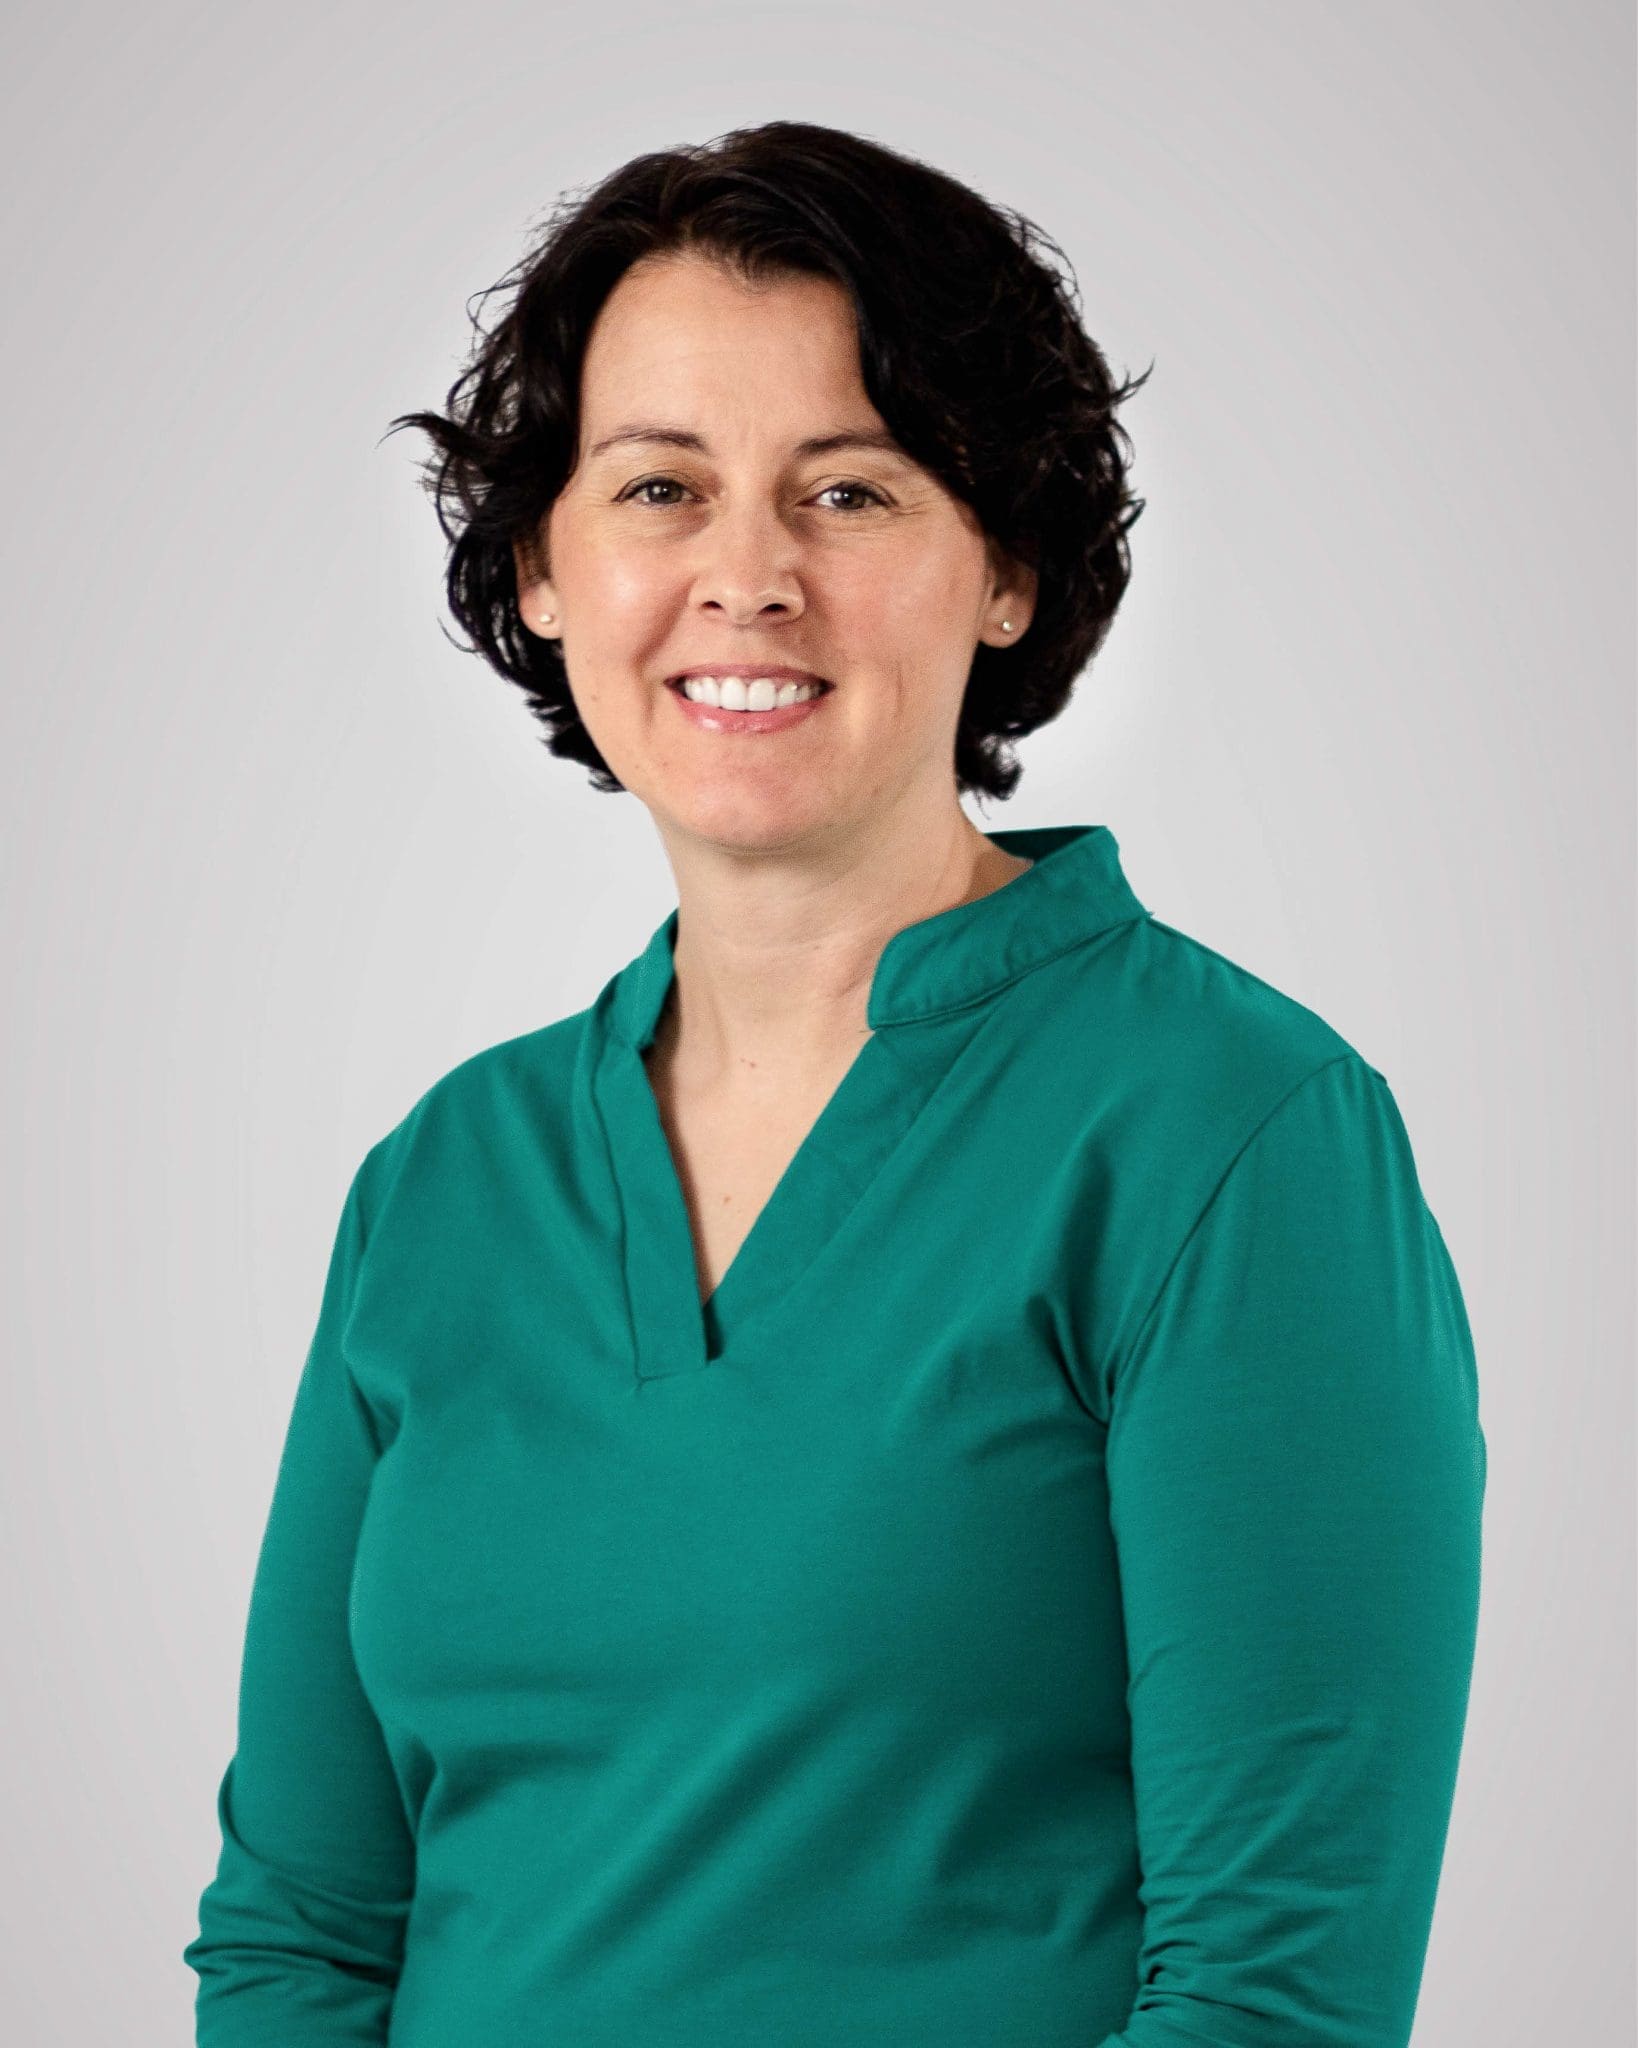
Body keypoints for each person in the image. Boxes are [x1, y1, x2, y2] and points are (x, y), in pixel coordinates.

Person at [182, 120, 1486, 2048]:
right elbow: (300, 1933)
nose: (746, 578)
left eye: (850, 492)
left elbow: (1271, 2001)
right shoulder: (444, 1180)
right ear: (544, 570)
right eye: (656, 487)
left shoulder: (1230, 1136)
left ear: (1009, 569)